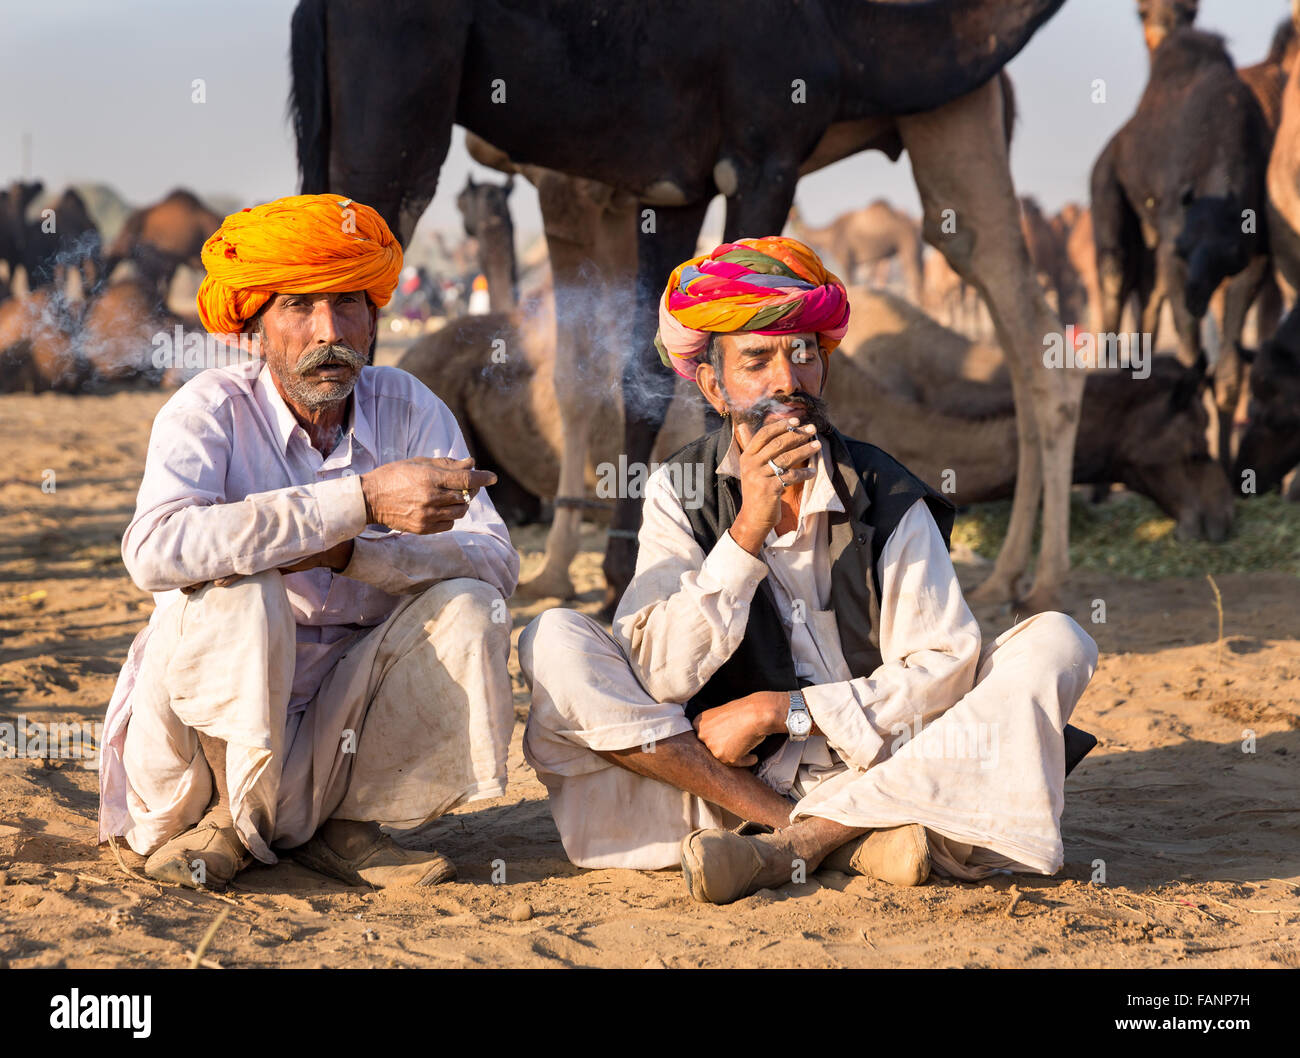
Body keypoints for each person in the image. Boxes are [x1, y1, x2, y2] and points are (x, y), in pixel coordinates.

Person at [519, 236, 1099, 904]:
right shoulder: (677, 492)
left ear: (824, 366)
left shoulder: (885, 491)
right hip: (719, 791)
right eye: (758, 359)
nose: (786, 381)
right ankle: (840, 838)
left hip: (887, 765)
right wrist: (744, 535)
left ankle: (799, 847)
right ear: (714, 383)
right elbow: (655, 675)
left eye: (802, 353)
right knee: (553, 640)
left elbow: (943, 668)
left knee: (1058, 643)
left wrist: (783, 711)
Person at [97, 194, 519, 890]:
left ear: (375, 316)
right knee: (245, 585)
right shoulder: (208, 410)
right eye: (298, 306)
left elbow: (495, 560)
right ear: (253, 328)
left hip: (337, 726)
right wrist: (358, 502)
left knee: (471, 606)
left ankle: (351, 822)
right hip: (202, 749)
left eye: (348, 303)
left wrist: (354, 553)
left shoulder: (409, 407)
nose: (329, 331)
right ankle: (227, 822)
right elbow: (154, 549)